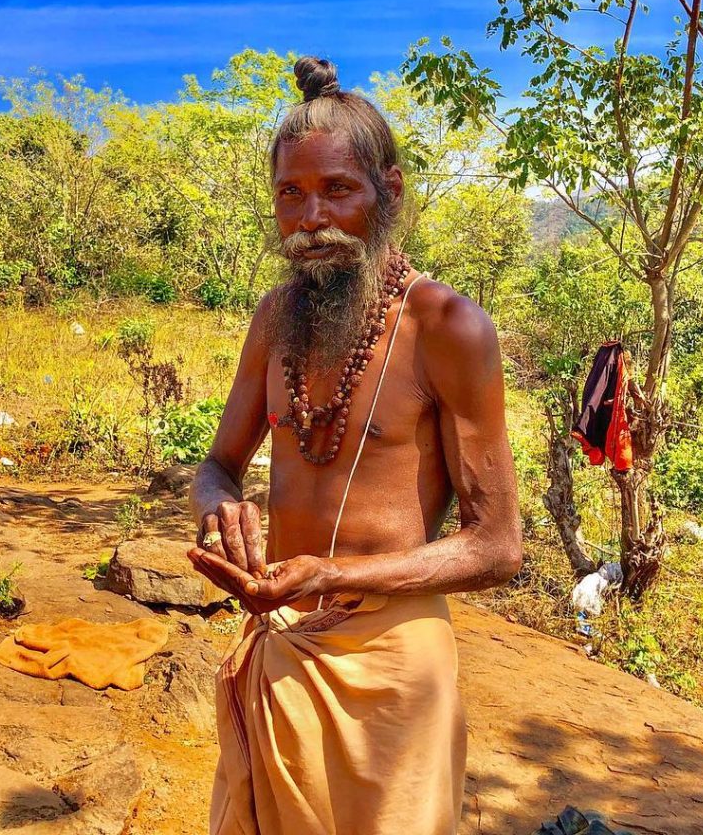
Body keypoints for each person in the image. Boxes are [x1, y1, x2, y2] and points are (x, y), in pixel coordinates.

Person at [188, 56, 523, 835]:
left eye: (338, 190)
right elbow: (216, 467)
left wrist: (331, 572)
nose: (312, 219)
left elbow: (497, 547)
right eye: (290, 194)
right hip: (277, 643)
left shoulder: (447, 327)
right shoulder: (274, 318)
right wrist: (218, 509)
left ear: (389, 192)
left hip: (391, 672)